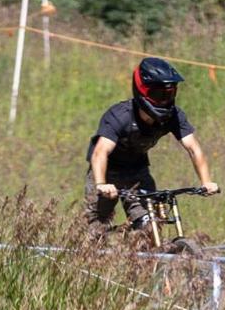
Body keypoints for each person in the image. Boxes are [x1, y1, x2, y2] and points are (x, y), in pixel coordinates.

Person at [85, 56, 218, 232]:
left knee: (152, 225)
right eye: (158, 94)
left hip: (137, 171)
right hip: (107, 171)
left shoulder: (174, 116)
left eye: (168, 94)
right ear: (142, 91)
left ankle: (139, 247)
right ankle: (110, 241)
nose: (164, 100)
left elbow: (193, 149)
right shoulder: (120, 115)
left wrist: (206, 181)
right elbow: (100, 152)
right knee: (95, 230)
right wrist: (101, 184)